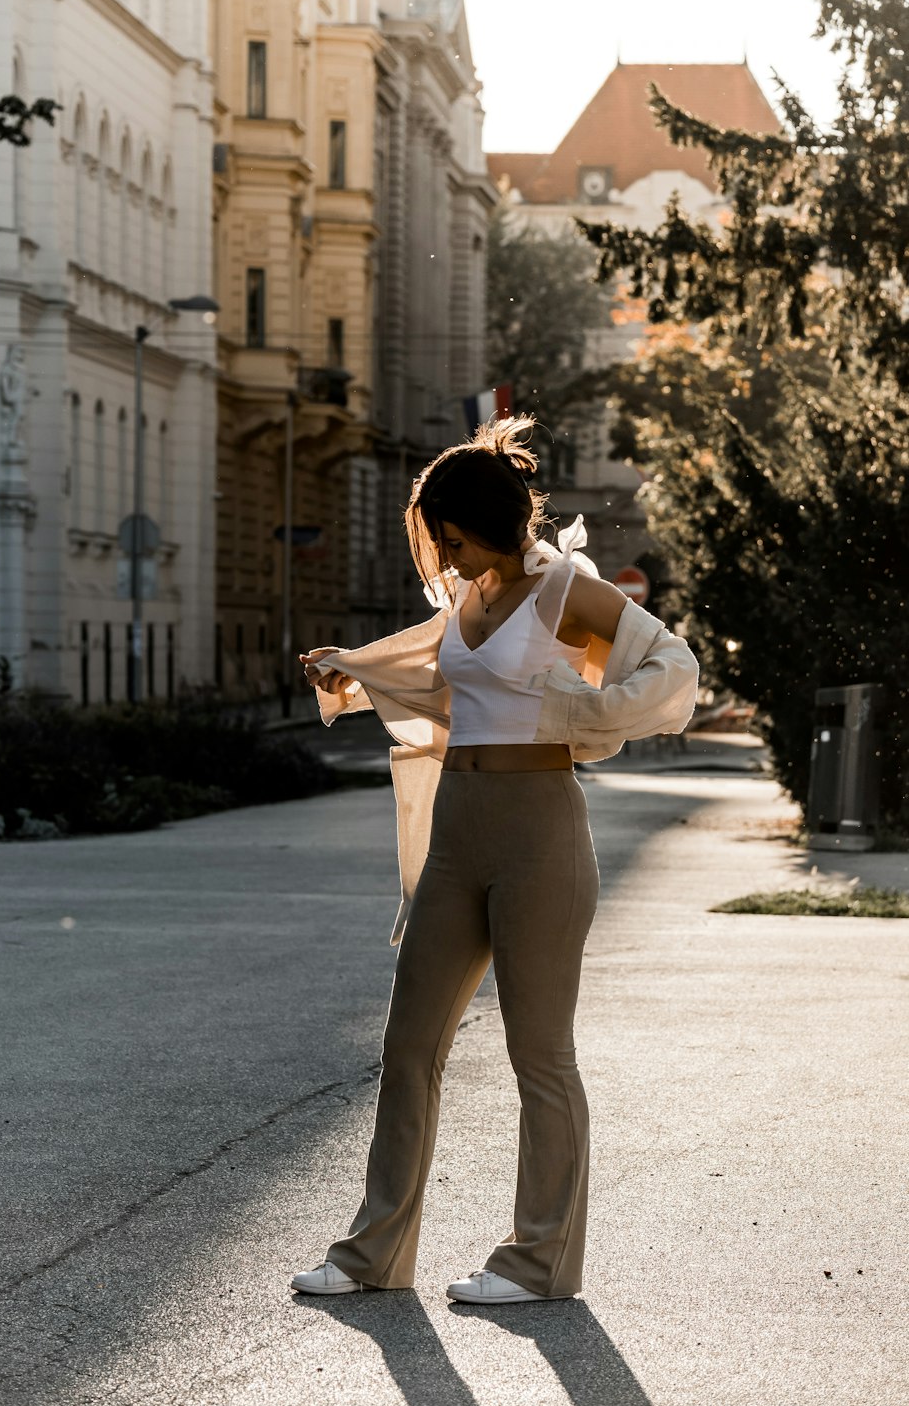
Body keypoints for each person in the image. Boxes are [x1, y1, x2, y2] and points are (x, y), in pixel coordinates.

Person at [290, 417, 698, 1306]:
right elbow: (437, 686)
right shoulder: (466, 605)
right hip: (459, 830)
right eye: (439, 541)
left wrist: (578, 714)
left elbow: (672, 669)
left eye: (452, 536)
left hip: (540, 830)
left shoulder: (565, 599)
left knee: (539, 1056)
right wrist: (349, 673)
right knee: (409, 1046)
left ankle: (539, 1261)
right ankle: (372, 1257)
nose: (444, 554)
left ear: (489, 522)